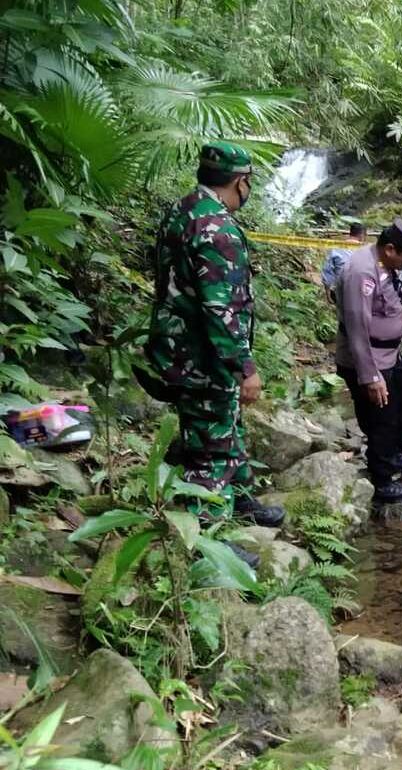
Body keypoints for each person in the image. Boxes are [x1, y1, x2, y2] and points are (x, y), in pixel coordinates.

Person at [145, 141, 284, 528]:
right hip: (203, 358)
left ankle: (239, 497)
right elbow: (220, 312)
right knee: (211, 450)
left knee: (227, 424)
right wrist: (245, 367)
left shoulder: (183, 209)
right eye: (248, 183)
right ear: (241, 181)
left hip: (176, 347)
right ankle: (205, 536)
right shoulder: (216, 229)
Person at [335, 217, 402, 504]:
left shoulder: (383, 264)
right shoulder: (360, 273)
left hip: (389, 353)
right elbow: (356, 327)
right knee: (381, 416)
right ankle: (382, 480)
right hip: (368, 358)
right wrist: (370, 376)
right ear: (390, 249)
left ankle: (395, 454)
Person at [320, 222, 367, 303]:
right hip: (361, 293)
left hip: (340, 292)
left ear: (350, 233)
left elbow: (327, 271)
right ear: (362, 235)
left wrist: (327, 293)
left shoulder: (337, 248)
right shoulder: (367, 251)